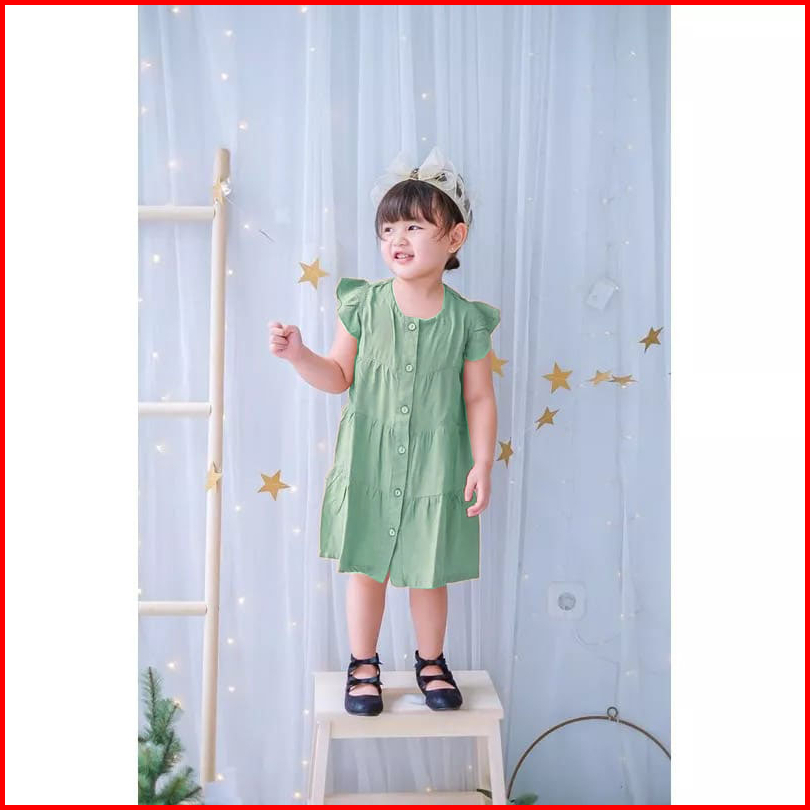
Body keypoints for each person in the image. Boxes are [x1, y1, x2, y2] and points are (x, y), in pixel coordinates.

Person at [268, 146, 500, 716]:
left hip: (436, 466)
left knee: (428, 572)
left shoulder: (466, 319)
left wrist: (482, 461)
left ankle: (431, 661)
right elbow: (337, 375)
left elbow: (478, 396)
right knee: (368, 568)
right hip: (369, 462)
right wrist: (300, 356)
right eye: (388, 228)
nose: (398, 238)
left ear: (454, 238)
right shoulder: (364, 306)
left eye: (415, 226)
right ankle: (363, 664)